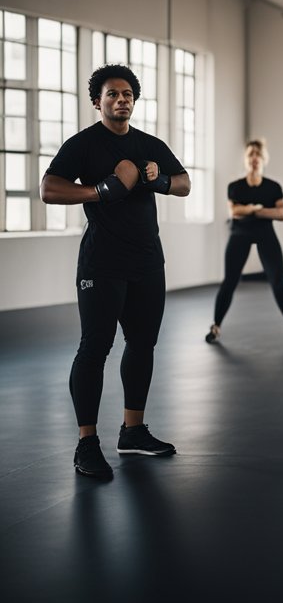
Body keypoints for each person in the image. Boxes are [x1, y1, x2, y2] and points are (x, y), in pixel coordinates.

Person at [40, 64, 191, 479]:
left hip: (147, 262)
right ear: (97, 101)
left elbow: (184, 183)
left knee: (142, 345)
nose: (121, 100)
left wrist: (156, 181)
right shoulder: (84, 145)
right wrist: (102, 190)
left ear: (133, 101)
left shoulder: (149, 144)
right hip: (101, 264)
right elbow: (48, 188)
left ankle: (133, 430)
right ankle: (86, 443)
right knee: (95, 347)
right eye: (112, 94)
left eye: (127, 94)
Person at [206, 139, 283, 346]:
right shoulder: (235, 187)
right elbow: (234, 212)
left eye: (258, 155)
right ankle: (216, 326)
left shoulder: (273, 187)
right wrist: (260, 210)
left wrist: (252, 209)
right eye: (251, 154)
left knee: (278, 280)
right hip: (240, 234)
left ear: (264, 159)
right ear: (246, 159)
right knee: (230, 281)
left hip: (265, 233)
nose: (254, 159)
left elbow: (282, 213)